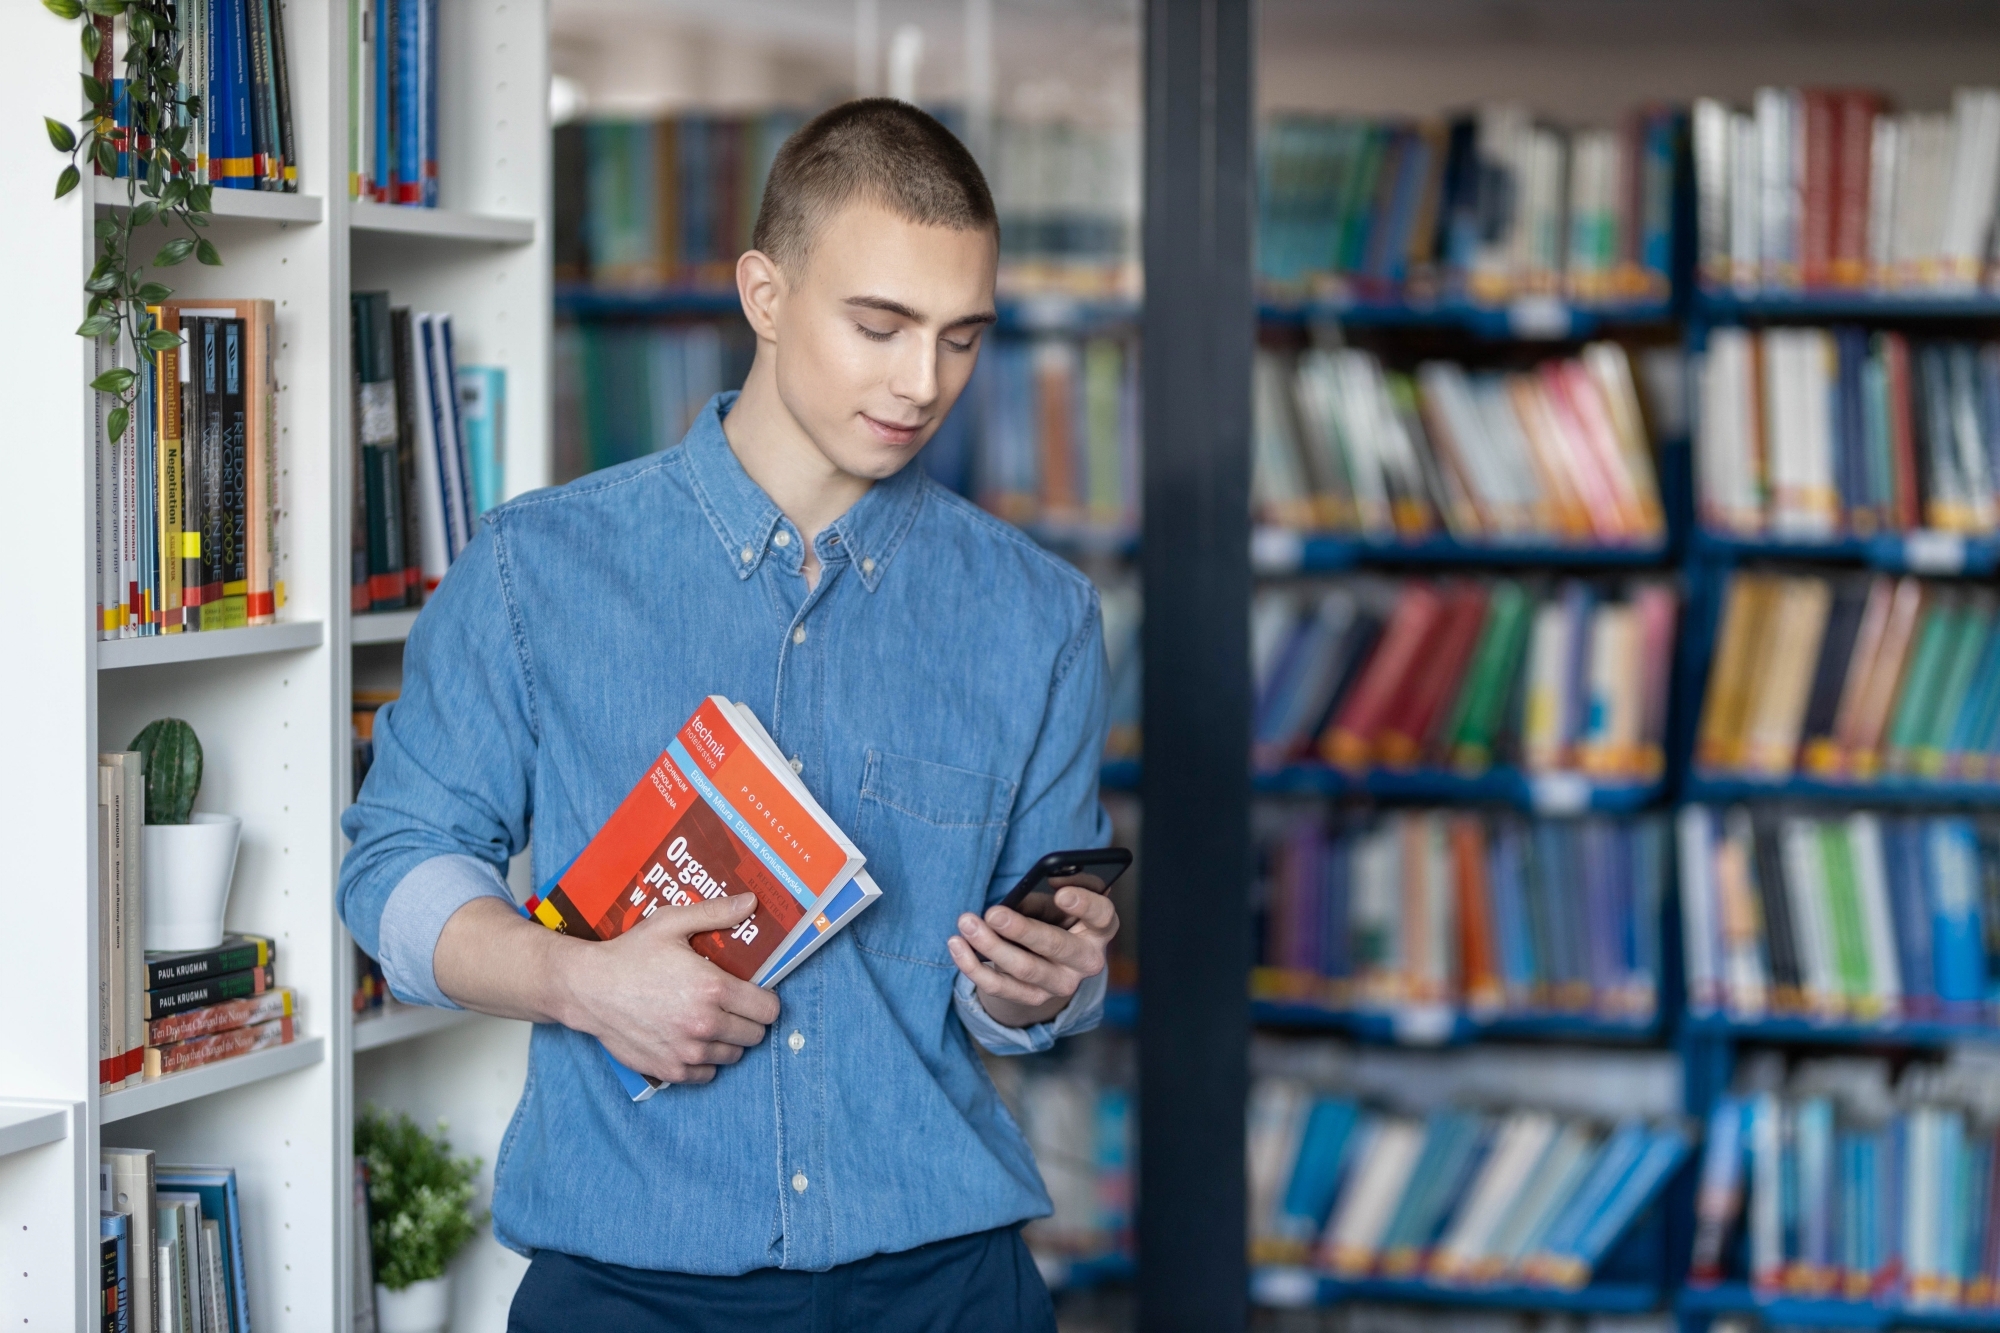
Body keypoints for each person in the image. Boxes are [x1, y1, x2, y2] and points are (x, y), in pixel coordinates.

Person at [338, 98, 1119, 1332]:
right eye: (880, 325)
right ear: (762, 292)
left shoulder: (1042, 618)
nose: (921, 383)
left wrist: (1042, 989)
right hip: (625, 1289)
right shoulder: (535, 570)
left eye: (961, 338)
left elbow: (1014, 982)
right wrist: (577, 982)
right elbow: (390, 877)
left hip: (947, 1287)